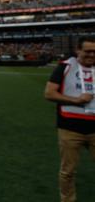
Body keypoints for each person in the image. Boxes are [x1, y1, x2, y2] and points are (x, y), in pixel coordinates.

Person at [44, 36, 95, 202]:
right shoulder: (65, 67)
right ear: (78, 50)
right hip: (70, 128)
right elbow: (49, 93)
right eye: (88, 51)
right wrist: (77, 100)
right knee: (68, 171)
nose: (91, 55)